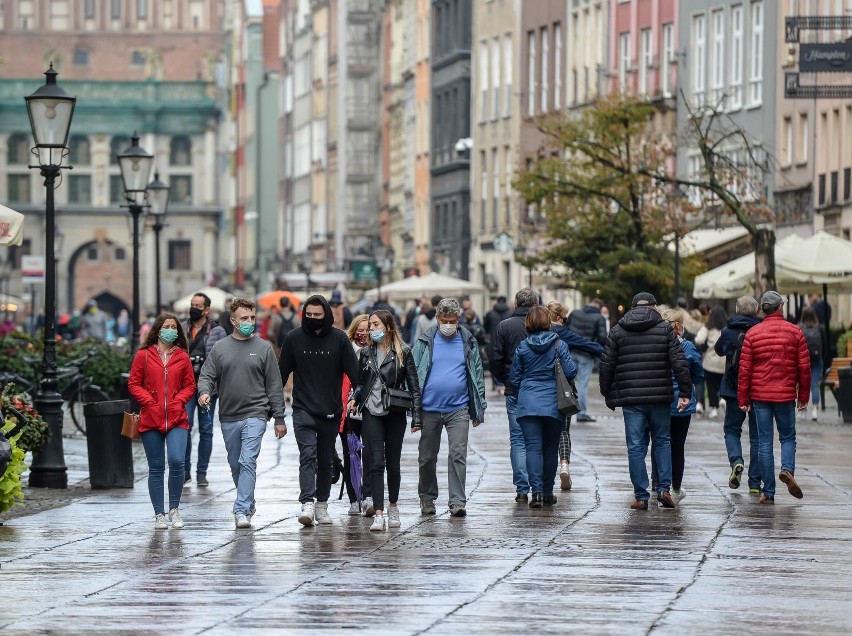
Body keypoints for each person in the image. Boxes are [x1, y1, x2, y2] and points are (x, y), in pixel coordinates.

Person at [197, 298, 287, 528]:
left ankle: (241, 510)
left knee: (248, 460)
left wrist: (278, 417)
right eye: (244, 318)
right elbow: (207, 375)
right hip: (228, 416)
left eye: (252, 318)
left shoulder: (264, 348)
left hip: (256, 413)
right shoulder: (220, 348)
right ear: (233, 320)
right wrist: (204, 392)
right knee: (236, 464)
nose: (249, 322)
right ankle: (248, 501)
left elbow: (274, 385)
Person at [599, 292, 692, 510]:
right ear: (654, 306)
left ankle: (641, 496)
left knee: (635, 447)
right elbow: (679, 362)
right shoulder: (664, 330)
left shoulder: (618, 330)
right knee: (662, 441)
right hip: (660, 397)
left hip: (631, 399)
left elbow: (606, 365)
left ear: (632, 307)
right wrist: (685, 391)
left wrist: (607, 393)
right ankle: (663, 489)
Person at [279, 294, 359, 526]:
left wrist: (358, 396)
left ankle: (322, 503)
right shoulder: (293, 338)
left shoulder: (339, 340)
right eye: (309, 315)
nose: (313, 318)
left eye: (318, 315)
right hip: (302, 407)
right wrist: (274, 408)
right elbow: (281, 375)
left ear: (327, 315)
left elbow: (354, 375)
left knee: (325, 459)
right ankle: (306, 502)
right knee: (308, 455)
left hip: (331, 409)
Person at [413, 298, 486, 517]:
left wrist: (478, 407)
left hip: (459, 408)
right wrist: (414, 409)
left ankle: (457, 501)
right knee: (426, 456)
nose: (448, 324)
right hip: (429, 409)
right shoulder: (426, 340)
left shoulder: (467, 340)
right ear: (437, 318)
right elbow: (414, 373)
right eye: (444, 320)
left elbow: (477, 374)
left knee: (458, 454)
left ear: (458, 319)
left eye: (452, 320)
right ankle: (427, 498)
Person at [349, 310, 422, 531]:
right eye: (370, 325)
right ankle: (378, 514)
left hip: (395, 412)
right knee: (376, 462)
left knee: (393, 463)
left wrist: (417, 417)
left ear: (388, 327)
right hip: (371, 411)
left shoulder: (403, 352)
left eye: (375, 325)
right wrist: (354, 398)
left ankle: (393, 507)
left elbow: (414, 386)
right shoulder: (365, 353)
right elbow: (361, 383)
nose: (371, 329)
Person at [738, 291, 810, 504]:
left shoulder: (753, 333)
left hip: (760, 396)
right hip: (786, 395)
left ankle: (768, 492)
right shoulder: (795, 332)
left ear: (763, 309)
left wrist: (743, 398)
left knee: (764, 442)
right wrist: (803, 396)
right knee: (787, 437)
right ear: (780, 307)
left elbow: (745, 370)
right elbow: (804, 368)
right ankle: (787, 470)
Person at [128, 314, 196, 530]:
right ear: (157, 330)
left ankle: (174, 509)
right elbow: (133, 383)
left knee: (177, 461)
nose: (171, 330)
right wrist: (148, 401)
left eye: (174, 327)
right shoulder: (143, 356)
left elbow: (190, 385)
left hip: (177, 418)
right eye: (167, 326)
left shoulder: (183, 357)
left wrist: (179, 401)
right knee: (156, 468)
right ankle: (159, 514)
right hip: (151, 418)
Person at [510, 306, 576, 508]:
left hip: (528, 402)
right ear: (548, 322)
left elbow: (514, 378)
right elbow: (571, 371)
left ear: (528, 323)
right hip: (553, 403)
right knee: (550, 448)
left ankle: (535, 492)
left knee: (532, 448)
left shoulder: (522, 347)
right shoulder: (559, 345)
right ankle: (548, 492)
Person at [547, 301, 603, 491]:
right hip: (561, 387)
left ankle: (536, 481)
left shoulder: (533, 330)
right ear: (560, 317)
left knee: (539, 435)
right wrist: (608, 352)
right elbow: (585, 344)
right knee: (563, 430)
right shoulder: (561, 333)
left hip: (537, 389)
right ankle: (564, 465)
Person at [490, 288, 538, 502]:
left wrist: (503, 379)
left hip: (514, 387)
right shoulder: (542, 325)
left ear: (515, 304)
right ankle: (540, 486)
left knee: (517, 438)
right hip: (540, 387)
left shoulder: (505, 326)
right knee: (537, 439)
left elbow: (496, 358)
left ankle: (521, 488)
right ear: (535, 304)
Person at [651, 308, 703, 504]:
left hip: (659, 400)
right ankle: (675, 488)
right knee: (677, 446)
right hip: (681, 403)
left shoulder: (655, 345)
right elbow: (697, 373)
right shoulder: (687, 347)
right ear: (679, 327)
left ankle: (657, 483)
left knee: (659, 442)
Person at [715, 296, 763, 494]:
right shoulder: (760, 331)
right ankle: (754, 483)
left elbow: (718, 350)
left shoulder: (727, 331)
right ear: (756, 311)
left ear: (736, 310)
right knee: (757, 437)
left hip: (733, 389)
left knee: (732, 430)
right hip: (757, 389)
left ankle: (736, 460)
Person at [181, 292, 227, 487]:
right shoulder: (182, 328)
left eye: (198, 305)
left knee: (206, 429)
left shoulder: (217, 331)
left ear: (207, 309)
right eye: (193, 304)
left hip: (209, 387)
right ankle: (185, 471)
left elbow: (223, 358)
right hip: (187, 385)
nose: (194, 308)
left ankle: (202, 473)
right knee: (186, 426)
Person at [339, 315, 373, 515]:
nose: (364, 334)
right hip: (347, 409)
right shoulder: (346, 351)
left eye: (368, 329)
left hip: (369, 409)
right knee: (351, 454)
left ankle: (368, 495)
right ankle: (354, 498)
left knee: (369, 453)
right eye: (360, 330)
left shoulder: (376, 352)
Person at [565, 298, 608, 422]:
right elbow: (602, 337)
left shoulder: (575, 313)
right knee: (583, 384)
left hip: (571, 351)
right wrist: (595, 350)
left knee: (567, 382)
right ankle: (581, 413)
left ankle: (564, 409)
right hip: (587, 354)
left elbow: (566, 329)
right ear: (599, 307)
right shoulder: (599, 318)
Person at [695, 306, 728, 418]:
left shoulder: (708, 328)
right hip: (724, 362)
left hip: (710, 362)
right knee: (723, 382)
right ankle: (723, 399)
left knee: (711, 386)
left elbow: (698, 339)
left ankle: (714, 408)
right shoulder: (727, 328)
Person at [799, 306, 827, 421]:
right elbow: (825, 346)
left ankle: (803, 409)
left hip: (803, 359)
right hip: (816, 359)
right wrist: (822, 360)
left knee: (803, 384)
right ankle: (815, 410)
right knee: (815, 384)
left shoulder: (799, 327)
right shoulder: (820, 328)